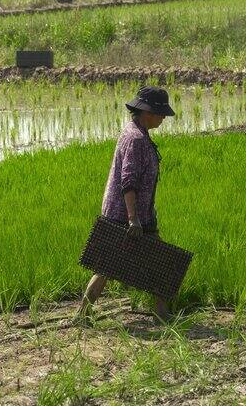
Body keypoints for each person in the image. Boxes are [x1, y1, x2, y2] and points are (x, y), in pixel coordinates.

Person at [76, 86, 176, 323]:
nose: (163, 118)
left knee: (145, 261)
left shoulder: (138, 133)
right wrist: (133, 219)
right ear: (147, 113)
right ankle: (83, 314)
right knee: (114, 265)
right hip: (127, 217)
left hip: (139, 214)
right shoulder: (136, 139)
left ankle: (160, 311)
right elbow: (128, 181)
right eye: (160, 113)